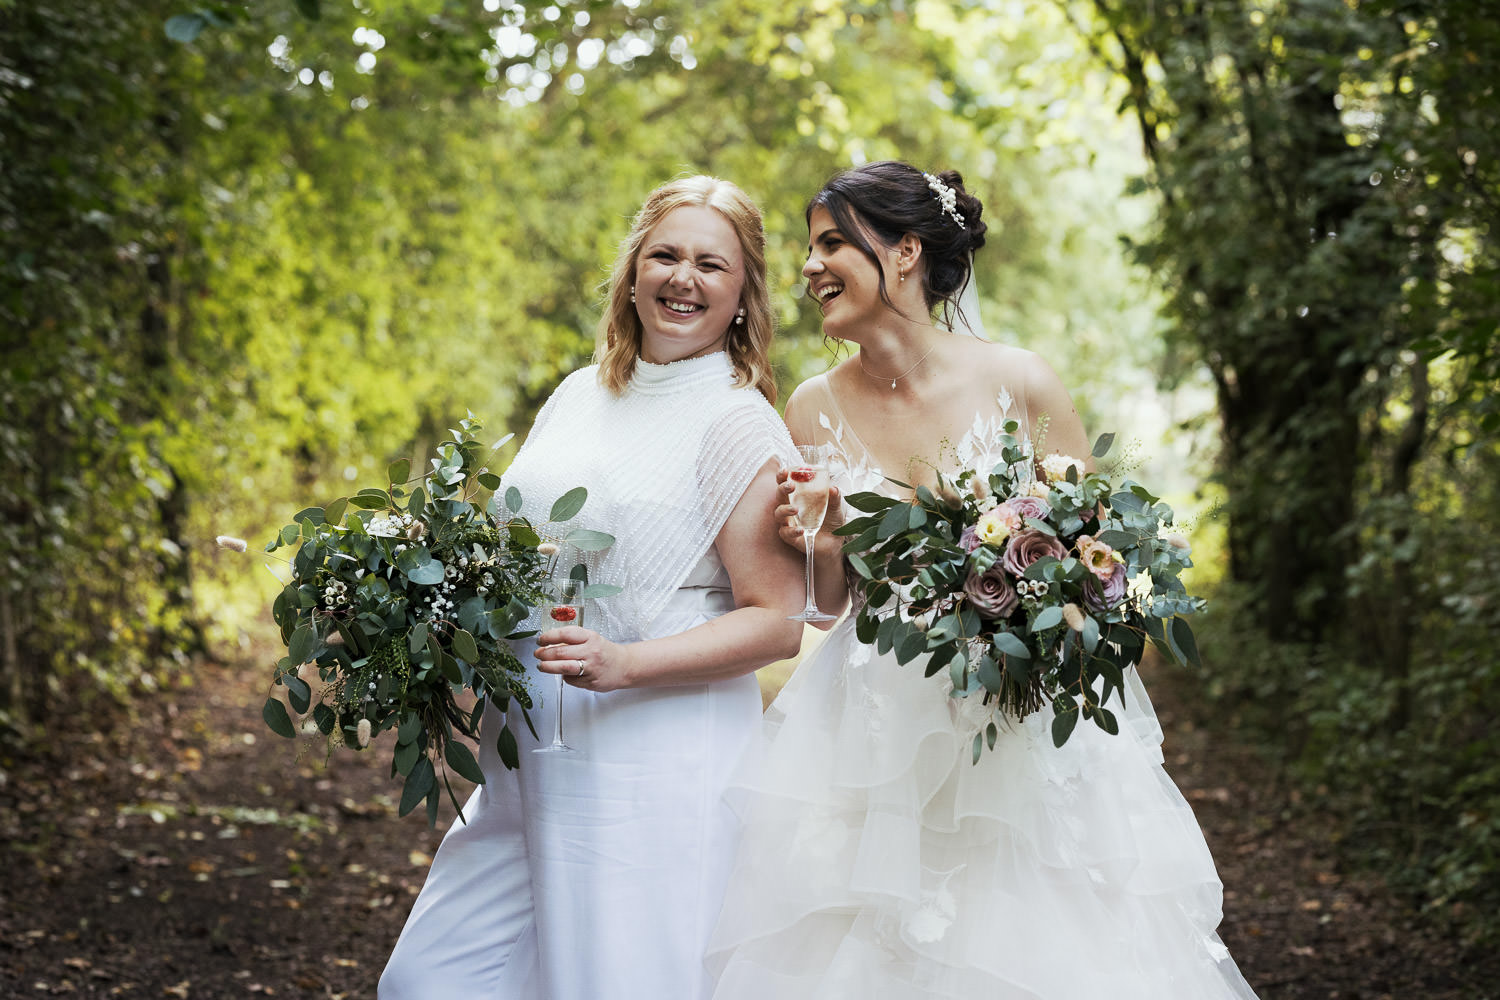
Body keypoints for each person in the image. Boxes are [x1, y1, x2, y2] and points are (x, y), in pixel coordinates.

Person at [706, 161, 1260, 998]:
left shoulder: (1018, 380)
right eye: (808, 249)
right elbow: (825, 607)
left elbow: (1095, 562)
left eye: (830, 244)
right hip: (873, 735)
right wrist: (819, 535)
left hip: (1018, 722)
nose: (809, 267)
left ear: (903, 252)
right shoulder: (811, 408)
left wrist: (1038, 617)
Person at [379, 176, 806, 1000]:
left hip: (650, 747)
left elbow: (778, 622)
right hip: (527, 745)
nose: (683, 278)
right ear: (633, 271)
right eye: (665, 256)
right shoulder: (582, 392)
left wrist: (625, 663)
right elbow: (517, 543)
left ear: (744, 293)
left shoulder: (738, 420)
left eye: (711, 265)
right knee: (430, 980)